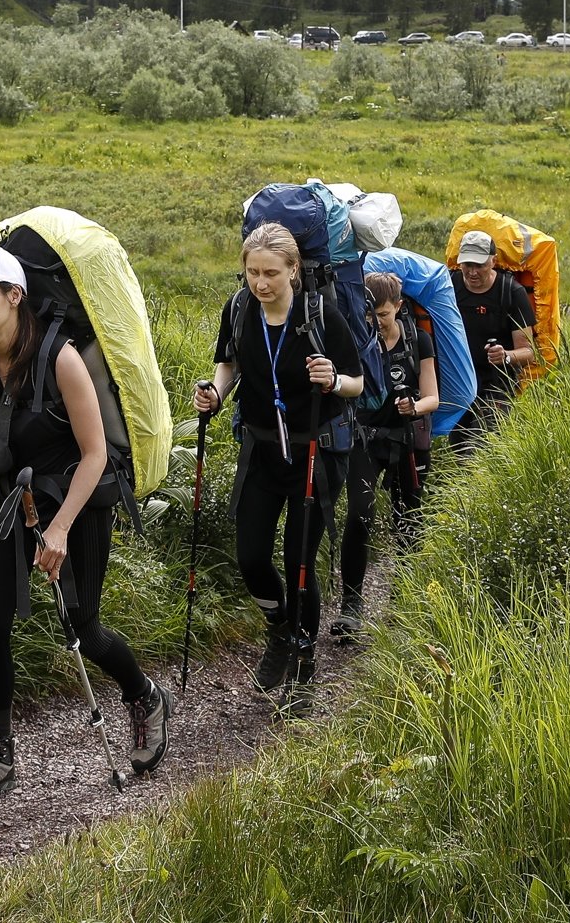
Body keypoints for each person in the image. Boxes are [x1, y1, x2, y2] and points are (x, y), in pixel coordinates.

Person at [0, 246, 167, 805]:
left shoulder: (61, 358)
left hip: (77, 499)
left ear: (14, 296)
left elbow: (95, 456)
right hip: (11, 495)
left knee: (82, 627)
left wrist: (61, 527)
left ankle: (142, 696)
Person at [193, 222, 364, 702]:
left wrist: (333, 380)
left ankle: (304, 664)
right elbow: (231, 363)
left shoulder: (321, 312)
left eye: (271, 273)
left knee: (299, 563)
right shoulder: (240, 308)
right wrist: (216, 393)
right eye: (252, 273)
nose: (260, 283)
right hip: (262, 449)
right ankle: (280, 629)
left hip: (315, 450)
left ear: (294, 270)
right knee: (250, 557)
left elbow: (358, 382)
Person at [331, 272, 439, 643]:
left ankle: (405, 601)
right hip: (364, 438)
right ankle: (351, 606)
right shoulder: (358, 340)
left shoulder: (418, 340)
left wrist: (414, 407)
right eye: (370, 315)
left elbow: (432, 398)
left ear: (398, 307)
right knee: (359, 514)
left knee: (408, 520)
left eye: (383, 314)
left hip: (406, 440)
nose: (376, 322)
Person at [450, 230, 537, 452]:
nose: (472, 271)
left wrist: (506, 356)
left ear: (493, 261)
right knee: (459, 446)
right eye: (467, 264)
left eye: (479, 265)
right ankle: (461, 486)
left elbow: (528, 352)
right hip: (460, 381)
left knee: (484, 446)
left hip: (498, 383)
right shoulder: (449, 287)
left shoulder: (511, 293)